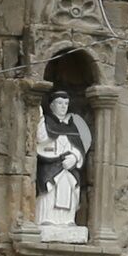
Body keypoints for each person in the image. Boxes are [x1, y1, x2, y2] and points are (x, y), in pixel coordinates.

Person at [32, 87, 91, 232]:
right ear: (52, 105)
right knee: (49, 191)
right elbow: (41, 140)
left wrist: (75, 157)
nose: (63, 107)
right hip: (50, 165)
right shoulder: (46, 122)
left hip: (68, 167)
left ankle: (68, 220)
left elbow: (79, 147)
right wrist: (39, 119)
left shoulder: (72, 127)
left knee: (71, 190)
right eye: (59, 103)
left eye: (66, 103)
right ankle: (46, 219)